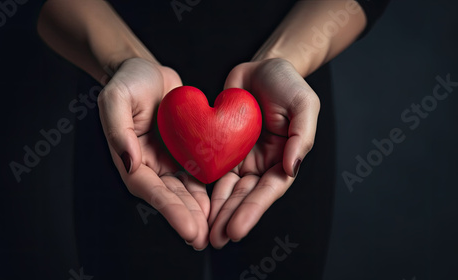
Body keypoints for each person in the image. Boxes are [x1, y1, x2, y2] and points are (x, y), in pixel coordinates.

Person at [37, 0, 389, 279]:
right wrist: (120, 61)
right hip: (137, 124)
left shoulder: (276, 124)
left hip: (272, 129)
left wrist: (284, 61)